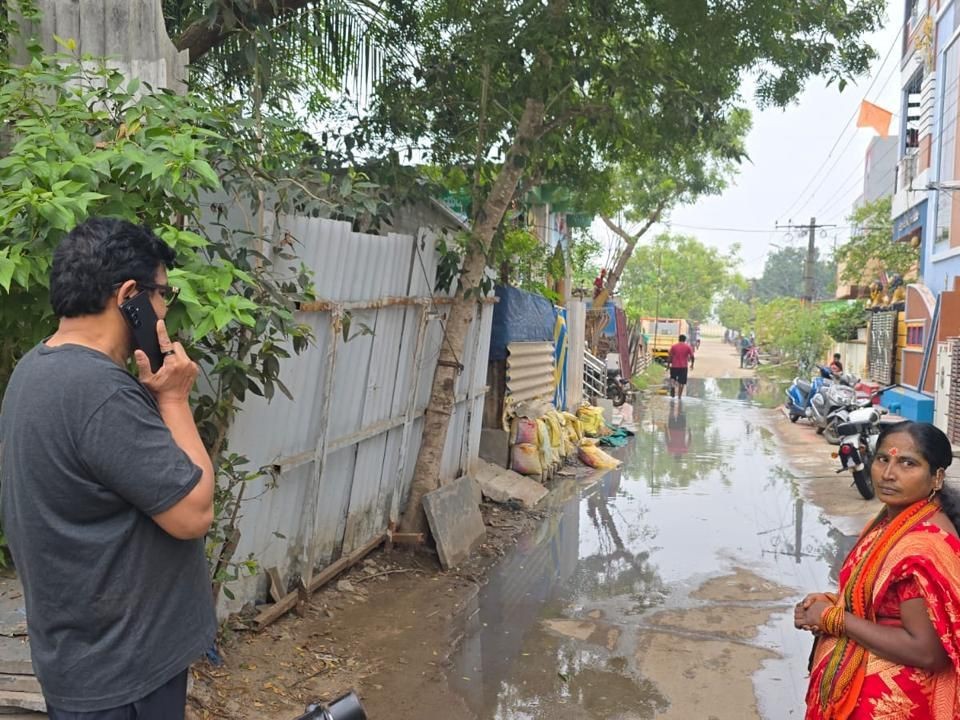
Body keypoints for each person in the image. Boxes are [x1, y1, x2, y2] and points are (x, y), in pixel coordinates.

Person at [0, 218, 217, 718]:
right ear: (128, 297)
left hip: (82, 662)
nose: (165, 309)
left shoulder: (34, 369)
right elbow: (193, 514)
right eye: (163, 294)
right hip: (126, 676)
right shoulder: (99, 392)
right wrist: (175, 398)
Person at [794, 421, 960, 719]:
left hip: (894, 705)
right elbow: (883, 602)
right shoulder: (896, 520)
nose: (888, 474)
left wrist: (834, 618)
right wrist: (830, 604)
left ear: (936, 477)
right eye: (883, 459)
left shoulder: (921, 548)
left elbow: (927, 652)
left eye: (907, 463)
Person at [667, 333, 695, 399]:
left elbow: (670, 357)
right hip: (683, 367)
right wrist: (692, 365)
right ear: (685, 340)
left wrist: (668, 365)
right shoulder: (688, 347)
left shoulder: (673, 346)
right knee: (681, 382)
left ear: (679, 339)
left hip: (674, 366)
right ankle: (679, 396)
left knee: (673, 379)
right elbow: (692, 356)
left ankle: (673, 388)